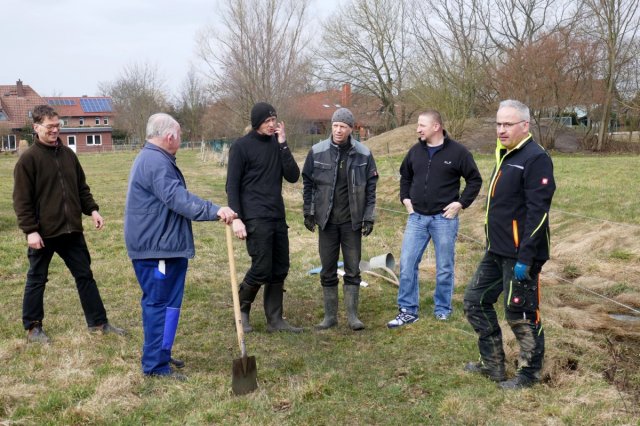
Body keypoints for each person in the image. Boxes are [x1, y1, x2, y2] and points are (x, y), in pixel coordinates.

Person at [124, 113, 235, 380]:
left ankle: (162, 352)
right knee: (160, 305)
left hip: (164, 246)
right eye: (180, 135)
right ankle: (155, 365)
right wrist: (215, 210)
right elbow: (177, 198)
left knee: (168, 305)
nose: (180, 140)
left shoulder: (156, 158)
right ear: (170, 136)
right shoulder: (155, 161)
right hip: (157, 249)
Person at [13, 104, 125, 344]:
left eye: (58, 125)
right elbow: (21, 200)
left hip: (71, 229)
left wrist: (92, 210)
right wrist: (31, 231)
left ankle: (98, 322)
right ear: (36, 127)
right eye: (50, 126)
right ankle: (33, 328)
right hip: (44, 232)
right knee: (37, 278)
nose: (55, 130)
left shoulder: (68, 155)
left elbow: (81, 188)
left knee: (85, 275)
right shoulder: (28, 160)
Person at [463, 100, 555, 390]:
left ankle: (529, 375)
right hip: (496, 250)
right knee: (474, 301)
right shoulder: (506, 154)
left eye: (507, 124)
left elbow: (538, 212)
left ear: (524, 126)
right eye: (498, 124)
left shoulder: (535, 158)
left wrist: (526, 258)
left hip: (521, 255)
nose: (501, 130)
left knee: (521, 313)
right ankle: (493, 365)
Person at [387, 110, 482, 328]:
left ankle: (442, 309)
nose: (418, 129)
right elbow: (405, 177)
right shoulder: (415, 152)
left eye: (422, 125)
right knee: (408, 263)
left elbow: (474, 180)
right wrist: (405, 199)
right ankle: (408, 310)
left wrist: (460, 203)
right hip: (417, 218)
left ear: (436, 126)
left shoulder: (458, 152)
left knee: (445, 266)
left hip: (444, 220)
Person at [226, 102, 302, 333]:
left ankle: (275, 320)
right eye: (267, 121)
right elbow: (232, 185)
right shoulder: (241, 147)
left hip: (277, 215)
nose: (271, 125)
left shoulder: (277, 146)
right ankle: (242, 312)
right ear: (257, 122)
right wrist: (236, 218)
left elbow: (293, 175)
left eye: (274, 120)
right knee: (261, 267)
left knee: (280, 267)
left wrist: (283, 144)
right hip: (255, 217)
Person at [302, 108, 378, 331]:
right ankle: (329, 316)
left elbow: (371, 189)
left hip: (351, 222)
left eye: (342, 126)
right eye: (335, 125)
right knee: (327, 268)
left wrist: (369, 217)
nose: (338, 130)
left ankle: (353, 316)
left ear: (350, 129)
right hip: (327, 221)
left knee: (353, 269)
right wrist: (309, 212)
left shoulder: (363, 154)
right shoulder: (317, 152)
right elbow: (308, 184)